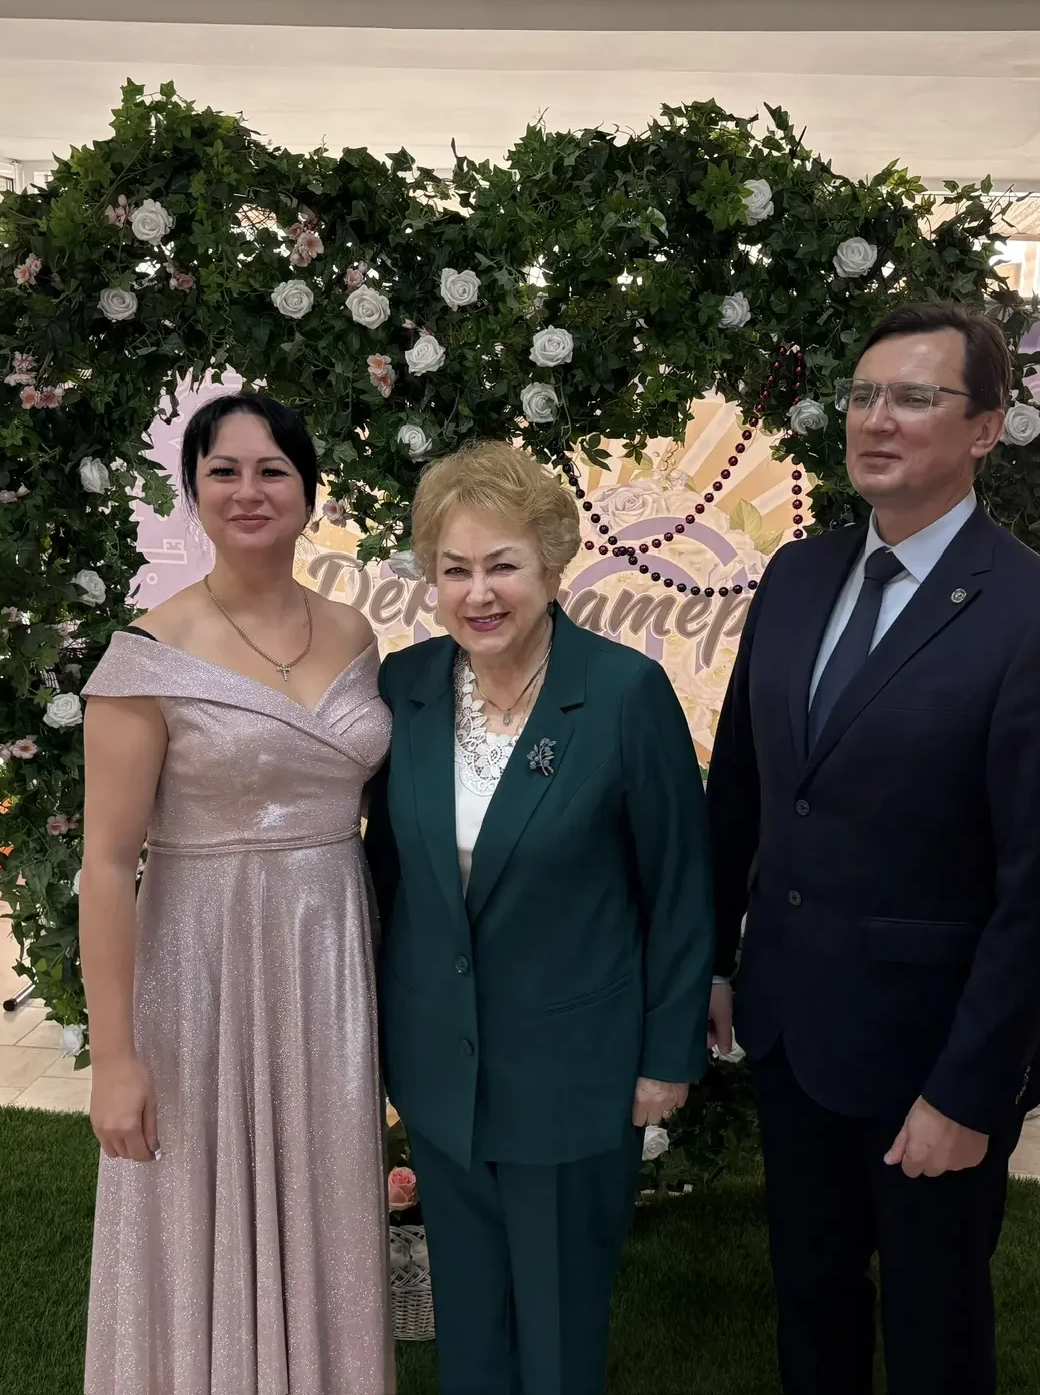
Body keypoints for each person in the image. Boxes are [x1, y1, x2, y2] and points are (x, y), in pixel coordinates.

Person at [706, 303, 1040, 1395]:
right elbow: (742, 786)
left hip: (931, 1054)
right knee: (811, 1297)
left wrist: (969, 1091)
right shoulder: (797, 576)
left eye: (914, 398)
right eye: (862, 395)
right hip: (791, 1030)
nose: (876, 419)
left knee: (935, 1324)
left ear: (985, 428)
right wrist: (713, 960)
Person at [365, 441, 713, 1395]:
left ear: (552, 564)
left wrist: (666, 1058)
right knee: (470, 1327)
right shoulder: (406, 687)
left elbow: (680, 885)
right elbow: (388, 875)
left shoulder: (623, 693)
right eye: (455, 569)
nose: (479, 593)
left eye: (503, 565)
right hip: (440, 1078)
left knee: (557, 1339)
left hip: (572, 1077)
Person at [78, 391, 393, 1394]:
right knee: (196, 1199)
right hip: (200, 970)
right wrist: (115, 1058)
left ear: (308, 492)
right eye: (223, 471)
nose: (248, 491)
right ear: (194, 492)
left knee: (326, 1196)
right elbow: (104, 864)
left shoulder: (353, 632)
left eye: (271, 471)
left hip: (328, 960)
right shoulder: (148, 655)